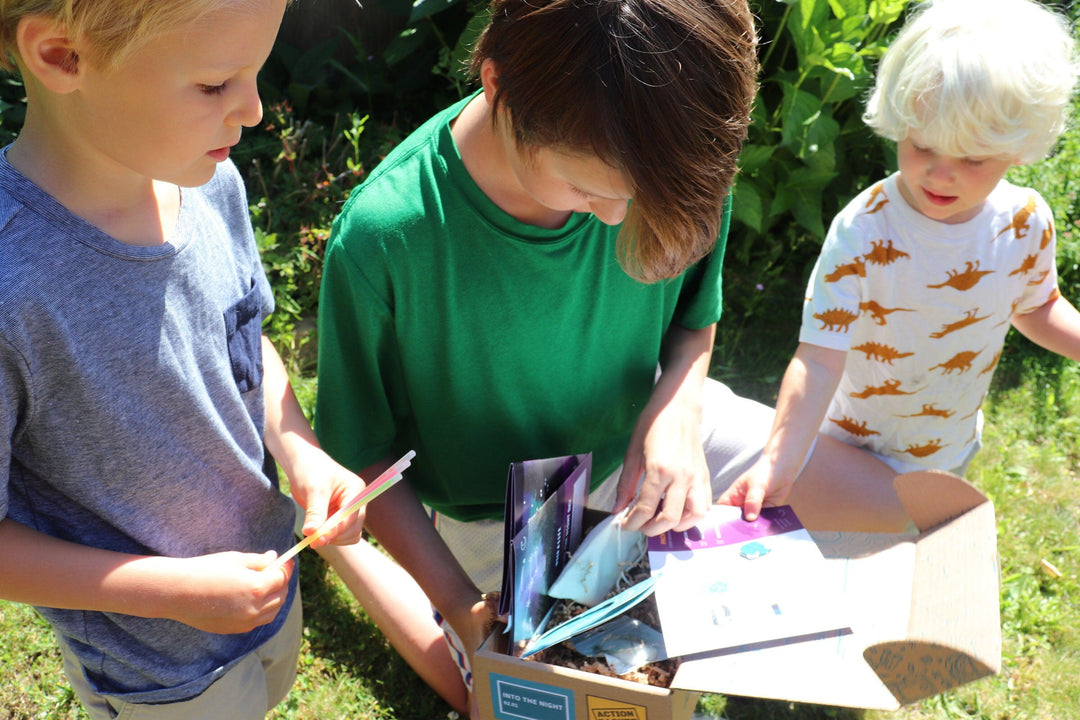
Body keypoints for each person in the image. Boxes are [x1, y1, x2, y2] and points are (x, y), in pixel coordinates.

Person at [313, 0, 903, 713]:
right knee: (515, 700)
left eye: (637, 193)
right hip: (499, 513)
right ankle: (341, 555)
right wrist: (466, 609)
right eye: (588, 188)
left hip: (649, 439)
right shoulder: (388, 238)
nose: (618, 216)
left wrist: (676, 415)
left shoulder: (674, 149)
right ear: (498, 88)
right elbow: (363, 459)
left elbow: (692, 326)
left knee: (889, 519)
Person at [0, 2, 367, 718]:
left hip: (264, 592)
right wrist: (172, 592)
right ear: (61, 56)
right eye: (213, 86)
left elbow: (240, 338)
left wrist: (304, 455)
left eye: (256, 74)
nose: (255, 111)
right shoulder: (12, 284)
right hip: (155, 666)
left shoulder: (207, 181)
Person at [719, 0, 1080, 522]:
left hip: (945, 444)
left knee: (915, 548)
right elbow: (820, 358)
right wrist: (780, 461)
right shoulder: (864, 231)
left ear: (1019, 147)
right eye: (921, 145)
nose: (939, 174)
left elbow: (1036, 307)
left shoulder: (1024, 223)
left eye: (972, 158)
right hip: (846, 448)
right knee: (845, 555)